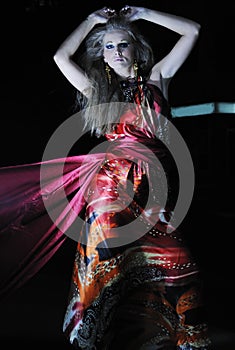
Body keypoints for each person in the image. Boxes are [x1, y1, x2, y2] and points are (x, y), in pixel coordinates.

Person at [0, 5, 211, 350]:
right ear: (101, 53)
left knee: (174, 262)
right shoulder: (97, 90)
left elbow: (193, 30)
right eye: (109, 46)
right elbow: (61, 56)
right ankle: (98, 339)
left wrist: (142, 13)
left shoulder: (158, 78)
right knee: (109, 265)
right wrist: (90, 21)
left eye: (123, 44)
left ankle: (174, 337)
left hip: (154, 187)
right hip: (111, 185)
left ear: (135, 48)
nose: (116, 52)